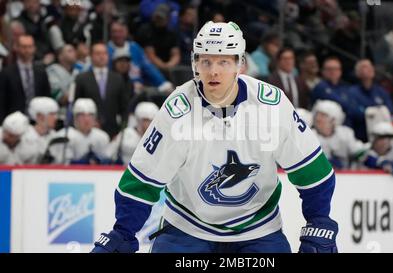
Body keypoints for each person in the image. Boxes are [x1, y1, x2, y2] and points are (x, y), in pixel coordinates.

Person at [92, 21, 338, 253]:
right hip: (186, 227)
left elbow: (312, 169)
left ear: (239, 64)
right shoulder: (177, 110)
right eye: (206, 61)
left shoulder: (270, 105)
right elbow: (143, 181)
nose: (213, 71)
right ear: (194, 63)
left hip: (259, 229)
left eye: (223, 62)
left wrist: (319, 220)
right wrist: (123, 232)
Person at [49, 98, 110, 164]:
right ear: (75, 117)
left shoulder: (102, 137)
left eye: (90, 115)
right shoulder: (63, 136)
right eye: (82, 115)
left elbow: (107, 160)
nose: (86, 119)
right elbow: (61, 164)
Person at [311, 100, 366, 170]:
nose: (318, 118)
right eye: (317, 115)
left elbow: (358, 151)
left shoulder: (345, 133)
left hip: (347, 177)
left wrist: (373, 159)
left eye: (323, 115)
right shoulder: (310, 135)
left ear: (333, 120)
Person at [22, 97, 59, 163]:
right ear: (40, 116)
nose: (56, 118)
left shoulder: (55, 136)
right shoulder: (25, 136)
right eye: (52, 114)